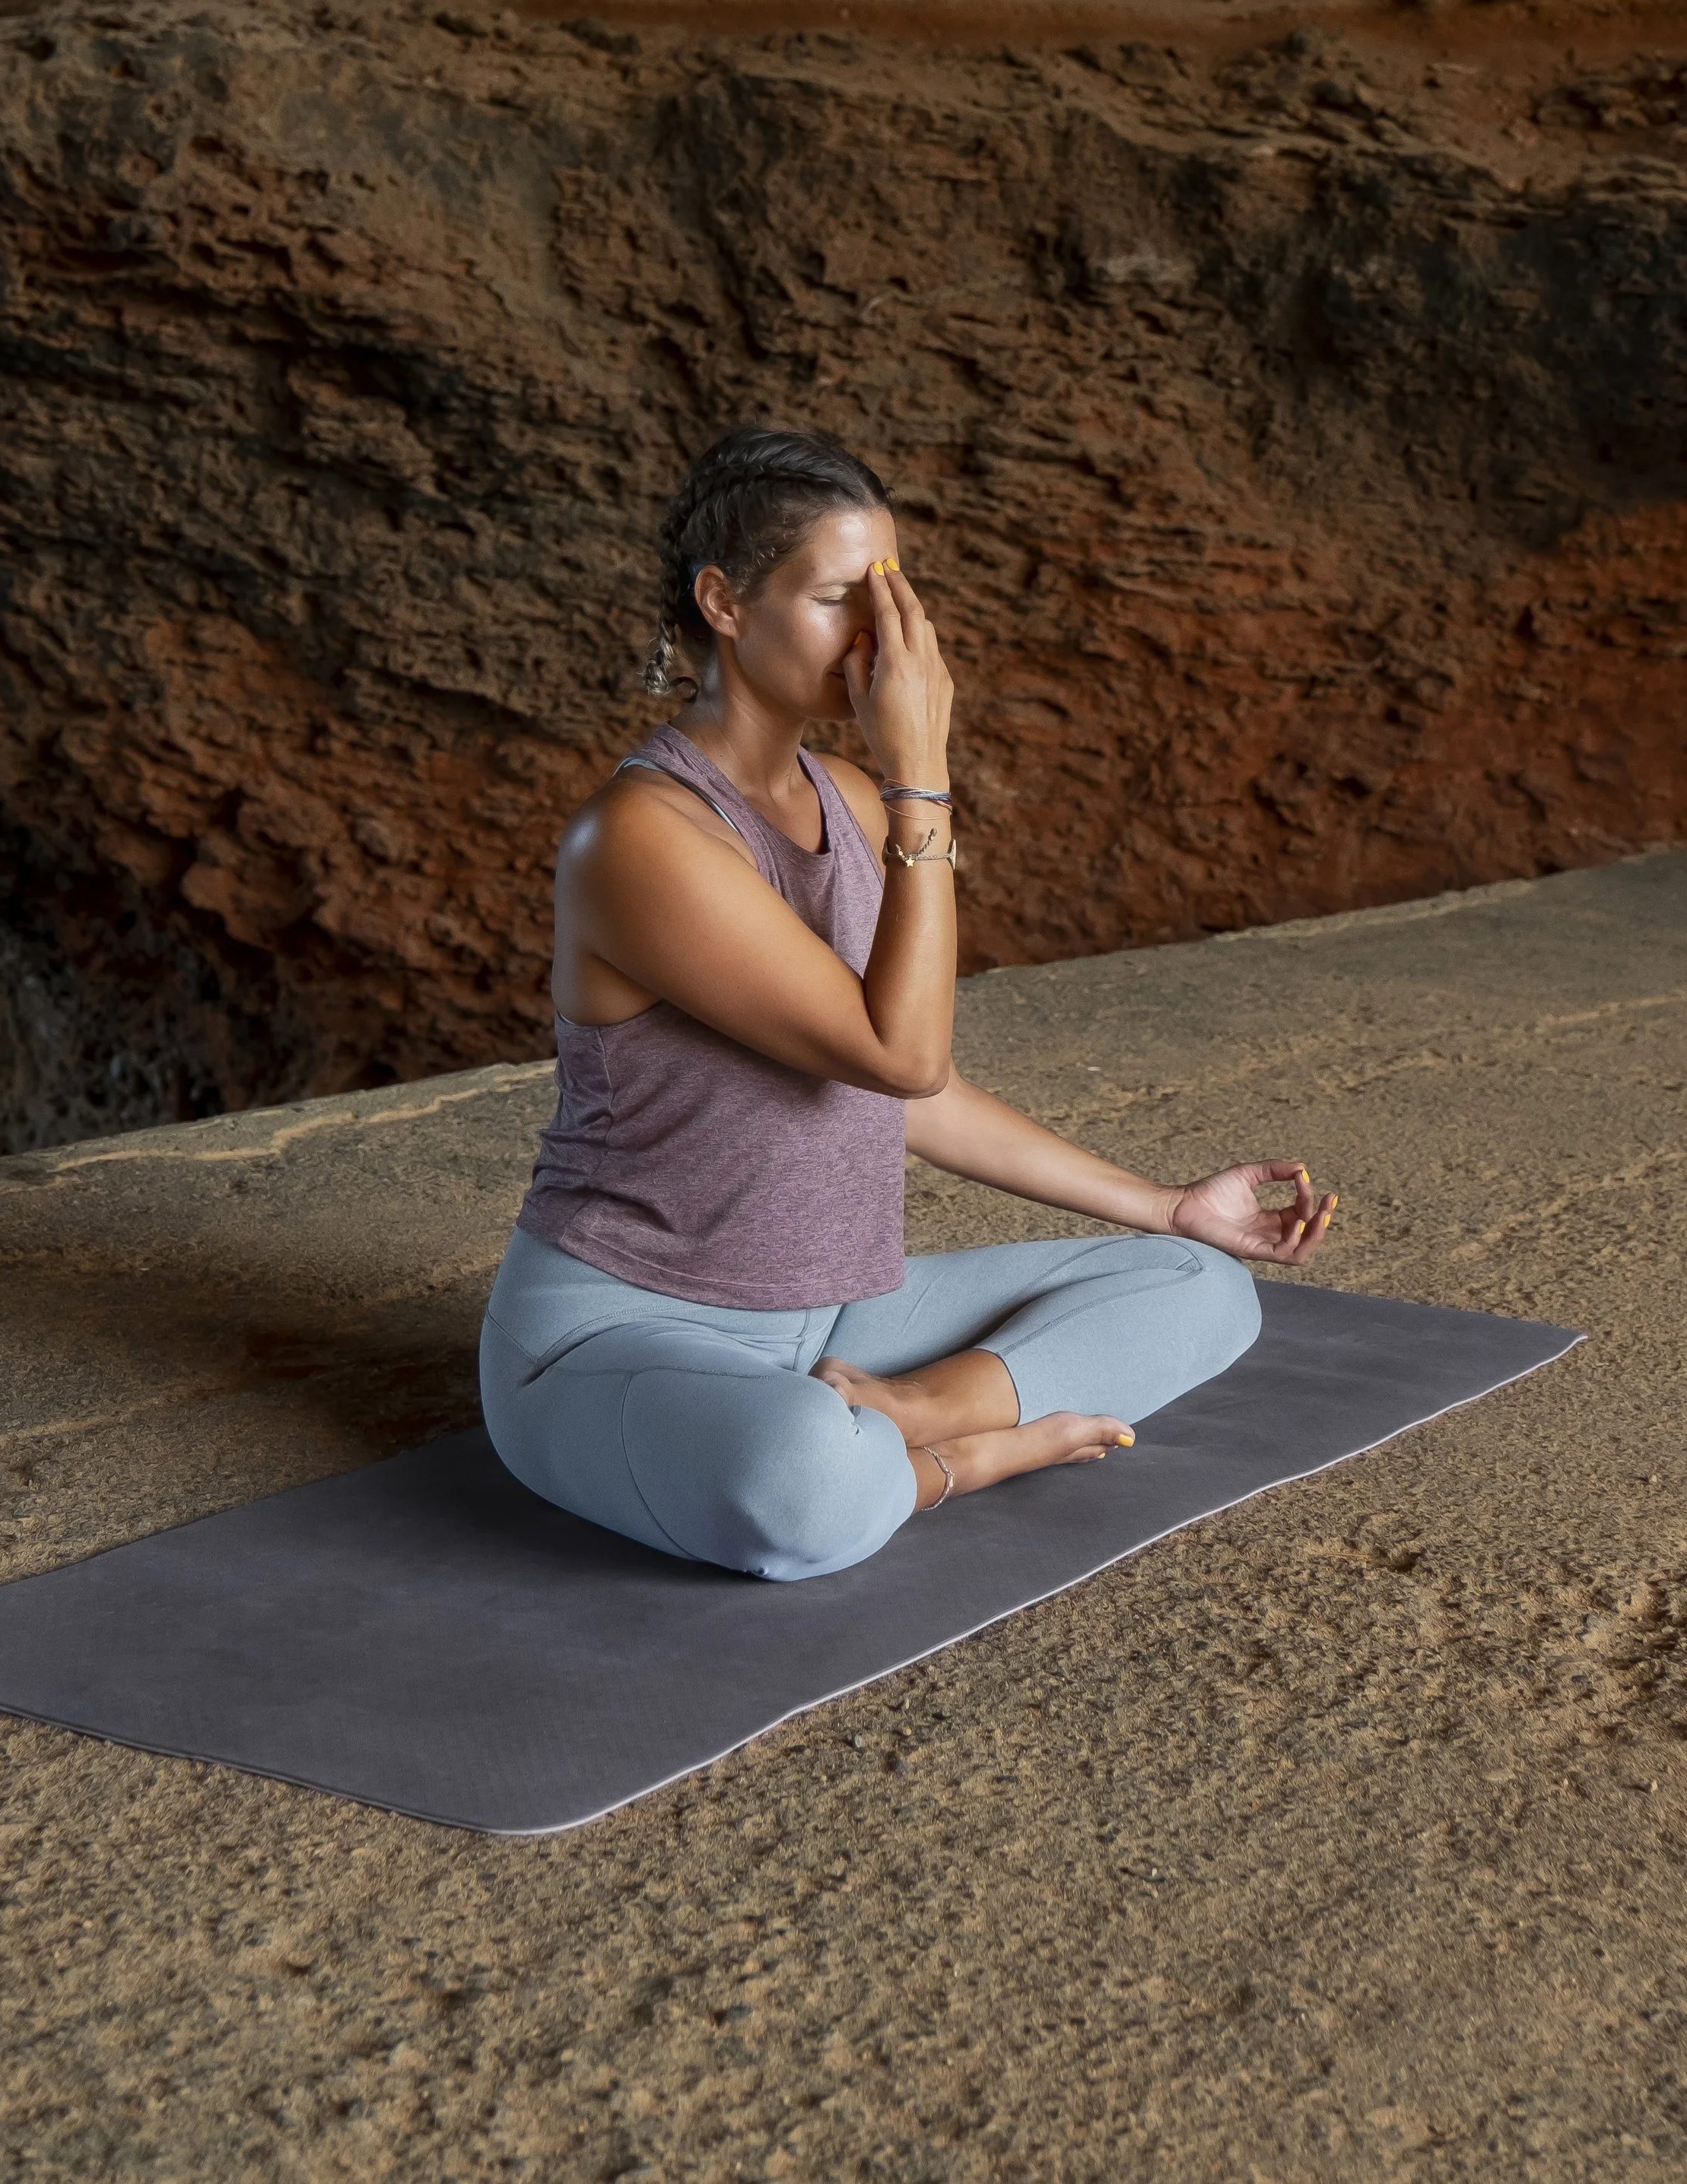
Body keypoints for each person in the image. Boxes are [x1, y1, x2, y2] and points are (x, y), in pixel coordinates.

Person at [480, 427, 1338, 1582]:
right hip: (618, 1335)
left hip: (831, 1327)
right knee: (802, 1482)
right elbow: (897, 1051)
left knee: (1203, 1287)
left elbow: (907, 1090)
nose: (881, 640)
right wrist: (921, 776)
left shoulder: (845, 798)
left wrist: (1170, 1204)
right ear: (725, 602)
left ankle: (913, 1407)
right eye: (841, 598)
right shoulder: (643, 837)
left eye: (893, 597)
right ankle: (955, 1458)